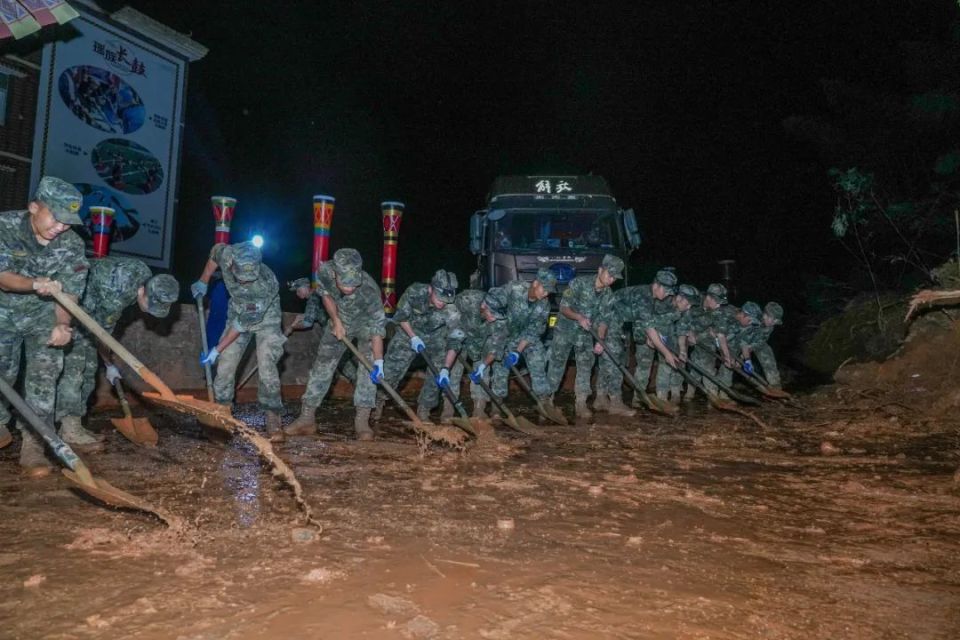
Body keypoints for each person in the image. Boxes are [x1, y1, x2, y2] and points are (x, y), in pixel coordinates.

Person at [0, 176, 89, 477]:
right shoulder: (5, 227)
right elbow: (3, 278)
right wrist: (34, 283)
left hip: (43, 316)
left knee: (45, 375)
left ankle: (35, 445)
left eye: (68, 222)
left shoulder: (72, 245)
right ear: (34, 207)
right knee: (4, 375)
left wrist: (62, 325)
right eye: (56, 218)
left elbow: (71, 291)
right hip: (2, 312)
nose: (61, 227)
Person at [56, 258, 178, 449]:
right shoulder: (117, 293)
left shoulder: (143, 274)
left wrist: (107, 363)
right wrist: (110, 364)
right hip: (74, 311)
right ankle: (70, 429)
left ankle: (75, 425)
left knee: (89, 370)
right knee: (76, 370)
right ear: (142, 291)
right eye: (150, 305)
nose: (149, 312)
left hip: (91, 311)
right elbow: (102, 336)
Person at [284, 248, 386, 440]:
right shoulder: (324, 271)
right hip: (339, 320)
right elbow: (325, 295)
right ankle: (307, 419)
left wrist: (379, 362)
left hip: (366, 325)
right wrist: (336, 321)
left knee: (368, 370)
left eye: (353, 284)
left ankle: (362, 421)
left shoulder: (370, 290)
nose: (349, 288)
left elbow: (377, 330)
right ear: (334, 273)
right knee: (322, 366)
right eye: (344, 283)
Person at [192, 241, 286, 440]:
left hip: (266, 318)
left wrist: (216, 349)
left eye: (249, 278)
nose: (244, 282)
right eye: (241, 277)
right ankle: (222, 412)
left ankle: (273, 416)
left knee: (267, 364)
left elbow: (241, 325)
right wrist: (203, 280)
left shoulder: (265, 284)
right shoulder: (226, 254)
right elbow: (214, 255)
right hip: (237, 311)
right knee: (226, 363)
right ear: (232, 263)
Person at [546, 254, 623, 419]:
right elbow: (563, 308)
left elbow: (603, 320)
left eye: (615, 277)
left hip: (585, 334)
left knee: (585, 366)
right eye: (610, 274)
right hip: (565, 330)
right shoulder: (579, 283)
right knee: (557, 364)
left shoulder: (609, 295)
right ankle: (547, 400)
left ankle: (580, 403)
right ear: (600, 270)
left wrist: (600, 340)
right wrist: (579, 317)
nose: (611, 279)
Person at [380, 269, 461, 422]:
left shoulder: (452, 309)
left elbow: (454, 340)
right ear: (431, 289)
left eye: (446, 300)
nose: (442, 303)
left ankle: (424, 410)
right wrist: (413, 337)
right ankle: (379, 400)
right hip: (408, 332)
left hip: (436, 337)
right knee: (391, 369)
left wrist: (445, 368)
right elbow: (401, 316)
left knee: (437, 374)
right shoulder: (415, 291)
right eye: (439, 298)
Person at [597, 269, 678, 412]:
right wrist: (666, 353)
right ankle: (615, 403)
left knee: (608, 359)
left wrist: (648, 338)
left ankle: (600, 399)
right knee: (616, 359)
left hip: (616, 322)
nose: (667, 295)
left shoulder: (649, 296)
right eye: (666, 291)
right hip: (606, 321)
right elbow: (649, 327)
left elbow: (641, 321)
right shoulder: (644, 296)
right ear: (656, 285)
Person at [487, 268, 557, 412]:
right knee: (500, 365)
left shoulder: (545, 305)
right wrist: (494, 319)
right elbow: (491, 300)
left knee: (538, 360)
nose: (546, 294)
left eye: (549, 291)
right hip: (506, 335)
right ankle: (497, 404)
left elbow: (534, 331)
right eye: (545, 289)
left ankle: (543, 402)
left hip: (526, 338)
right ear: (536, 283)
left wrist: (517, 352)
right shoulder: (515, 288)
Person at [445, 287, 509, 419]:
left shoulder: (500, 319)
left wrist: (483, 365)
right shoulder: (467, 300)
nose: (493, 319)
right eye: (492, 314)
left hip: (481, 340)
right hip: (459, 334)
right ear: (484, 305)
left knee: (482, 371)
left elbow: (496, 347)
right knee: (454, 370)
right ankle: (448, 409)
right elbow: (450, 320)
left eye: (496, 316)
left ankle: (479, 409)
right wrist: (446, 367)